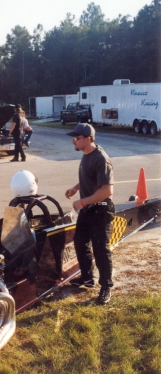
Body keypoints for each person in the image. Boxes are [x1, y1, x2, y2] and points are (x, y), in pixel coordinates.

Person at [65, 123, 115, 305]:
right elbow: (88, 176)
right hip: (88, 210)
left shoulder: (101, 158)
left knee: (101, 250)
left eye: (76, 138)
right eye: (73, 138)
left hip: (100, 210)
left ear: (88, 139)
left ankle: (106, 287)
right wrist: (75, 188)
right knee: (80, 243)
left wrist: (83, 201)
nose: (73, 141)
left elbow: (107, 191)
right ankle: (87, 278)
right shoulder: (86, 155)